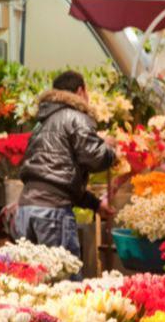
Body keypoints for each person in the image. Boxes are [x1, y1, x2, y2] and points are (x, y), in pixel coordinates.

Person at [11, 70, 115, 259]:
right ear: (81, 91)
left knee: (31, 281)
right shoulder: (75, 117)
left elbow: (55, 177)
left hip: (26, 210)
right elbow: (95, 158)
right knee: (64, 279)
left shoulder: (40, 124)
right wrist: (109, 148)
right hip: (52, 214)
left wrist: (95, 204)